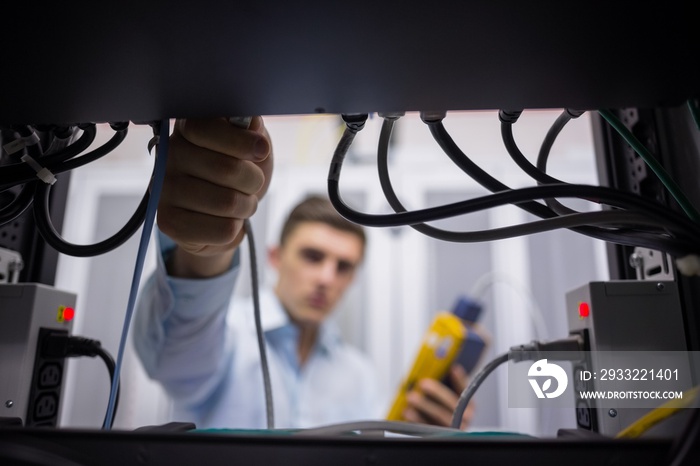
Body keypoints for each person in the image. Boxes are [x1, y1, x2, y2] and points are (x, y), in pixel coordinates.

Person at [133, 117, 473, 430]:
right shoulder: (227, 335)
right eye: (313, 256)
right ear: (276, 257)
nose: (327, 278)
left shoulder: (358, 374)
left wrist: (430, 433)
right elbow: (177, 360)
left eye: (344, 267)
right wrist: (208, 246)